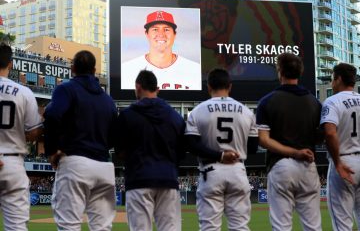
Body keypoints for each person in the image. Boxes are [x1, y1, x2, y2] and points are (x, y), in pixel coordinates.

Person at [116, 69, 238, 231]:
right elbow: (182, 152)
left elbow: (120, 152)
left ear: (138, 87)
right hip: (168, 179)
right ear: (157, 89)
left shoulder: (127, 115)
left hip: (139, 180)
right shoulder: (174, 116)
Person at [43, 50, 117, 231]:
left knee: (69, 226)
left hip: (75, 163)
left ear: (72, 68)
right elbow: (114, 137)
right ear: (94, 70)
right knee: (102, 228)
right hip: (103, 167)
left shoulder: (66, 89)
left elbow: (52, 116)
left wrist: (52, 150)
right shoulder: (108, 100)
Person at [185, 68, 258, 231]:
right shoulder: (247, 112)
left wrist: (220, 154)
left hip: (211, 170)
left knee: (209, 227)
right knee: (240, 227)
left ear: (209, 86)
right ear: (230, 86)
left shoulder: (197, 111)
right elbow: (253, 148)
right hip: (238, 169)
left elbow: (191, 145)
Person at [256, 53, 322, 231]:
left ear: (280, 71)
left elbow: (263, 140)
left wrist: (293, 152)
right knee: (313, 226)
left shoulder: (267, 101)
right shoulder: (314, 102)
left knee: (281, 226)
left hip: (281, 165)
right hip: (308, 165)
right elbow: (323, 134)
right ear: (300, 72)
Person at [0, 43, 43, 230]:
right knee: (16, 227)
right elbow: (34, 132)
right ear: (10, 64)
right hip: (12, 163)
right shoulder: (24, 92)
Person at [320, 63, 360, 231]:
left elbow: (329, 133)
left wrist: (337, 163)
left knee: (342, 223)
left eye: (332, 79)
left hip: (344, 161)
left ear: (339, 79)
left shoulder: (332, 100)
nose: (331, 83)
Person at [121, 10, 201, 90]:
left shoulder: (195, 69)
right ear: (146, 34)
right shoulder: (126, 69)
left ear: (175, 34)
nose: (161, 34)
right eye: (155, 29)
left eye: (166, 29)